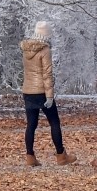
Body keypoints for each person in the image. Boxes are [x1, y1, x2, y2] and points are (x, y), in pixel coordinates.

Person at [19, 21, 71, 165]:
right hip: (41, 91)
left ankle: (30, 156)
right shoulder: (45, 50)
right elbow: (47, 74)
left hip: (28, 91)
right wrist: (49, 96)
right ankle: (61, 155)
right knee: (54, 122)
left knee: (31, 124)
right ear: (46, 34)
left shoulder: (26, 49)